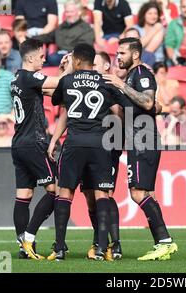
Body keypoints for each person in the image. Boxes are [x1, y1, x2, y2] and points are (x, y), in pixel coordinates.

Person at [103, 37, 178, 261]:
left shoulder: (142, 75)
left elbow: (147, 103)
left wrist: (120, 85)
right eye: (117, 53)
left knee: (137, 193)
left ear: (135, 55)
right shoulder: (131, 77)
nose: (118, 57)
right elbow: (150, 106)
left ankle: (164, 241)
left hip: (143, 141)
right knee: (145, 193)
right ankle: (162, 243)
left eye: (122, 53)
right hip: (138, 141)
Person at [47, 43, 124, 261]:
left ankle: (60, 248)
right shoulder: (105, 81)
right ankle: (101, 248)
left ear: (78, 61)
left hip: (74, 143)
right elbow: (122, 106)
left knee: (65, 193)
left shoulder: (68, 80)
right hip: (100, 144)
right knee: (101, 194)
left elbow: (56, 101)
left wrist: (66, 72)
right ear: (93, 61)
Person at [11, 38, 72, 260]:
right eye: (41, 56)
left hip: (18, 144)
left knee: (23, 195)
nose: (44, 58)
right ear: (29, 58)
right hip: (33, 142)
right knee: (55, 190)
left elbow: (48, 90)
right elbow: (59, 83)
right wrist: (68, 70)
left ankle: (22, 246)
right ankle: (28, 236)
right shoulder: (29, 77)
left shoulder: (17, 78)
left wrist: (61, 72)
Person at [34, 0, 94, 67]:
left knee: (52, 58)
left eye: (71, 12)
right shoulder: (61, 27)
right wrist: (30, 39)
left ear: (79, 12)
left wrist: (69, 54)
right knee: (40, 61)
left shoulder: (86, 28)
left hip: (76, 57)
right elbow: (48, 37)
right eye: (67, 12)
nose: (69, 14)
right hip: (59, 56)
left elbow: (85, 48)